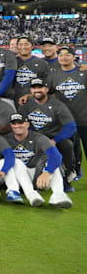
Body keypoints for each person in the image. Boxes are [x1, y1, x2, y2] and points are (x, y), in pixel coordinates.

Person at [18, 78, 77, 190]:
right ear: (31, 90)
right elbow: (21, 124)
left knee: (67, 145)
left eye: (40, 87)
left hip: (53, 137)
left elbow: (71, 126)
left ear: (46, 89)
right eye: (34, 88)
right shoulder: (26, 104)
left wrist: (55, 140)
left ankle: (66, 179)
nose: (37, 90)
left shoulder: (57, 105)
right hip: (34, 136)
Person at [5, 114, 72, 208]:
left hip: (38, 175)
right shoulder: (6, 139)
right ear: (11, 125)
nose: (17, 126)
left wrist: (47, 172)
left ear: (27, 124)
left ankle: (58, 195)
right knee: (16, 162)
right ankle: (31, 195)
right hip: (18, 178)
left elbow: (56, 155)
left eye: (20, 123)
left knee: (52, 163)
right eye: (14, 123)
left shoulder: (39, 138)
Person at [46, 46, 87, 183]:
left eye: (67, 55)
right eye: (60, 55)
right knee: (70, 150)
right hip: (66, 121)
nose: (63, 57)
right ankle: (71, 173)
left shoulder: (83, 72)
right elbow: (46, 92)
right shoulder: (54, 76)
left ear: (74, 57)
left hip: (84, 118)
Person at [13, 36, 49, 105]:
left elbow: (47, 84)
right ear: (17, 47)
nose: (23, 47)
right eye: (20, 45)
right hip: (14, 100)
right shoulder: (12, 62)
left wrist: (31, 95)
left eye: (26, 44)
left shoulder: (42, 63)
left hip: (36, 101)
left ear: (32, 46)